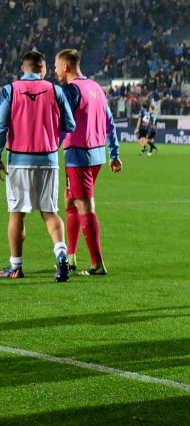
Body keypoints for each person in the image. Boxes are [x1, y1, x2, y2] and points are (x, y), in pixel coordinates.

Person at [0, 51, 76, 281]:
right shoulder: (56, 90)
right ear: (42, 69)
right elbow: (70, 124)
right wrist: (53, 141)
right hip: (48, 160)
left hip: (19, 162)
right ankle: (61, 256)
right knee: (50, 213)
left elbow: (1, 127)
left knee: (17, 214)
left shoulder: (10, 90)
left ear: (22, 69)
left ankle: (16, 266)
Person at [55, 49, 121, 276]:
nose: (55, 70)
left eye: (56, 66)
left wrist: (50, 147)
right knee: (70, 202)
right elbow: (110, 122)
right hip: (96, 156)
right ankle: (71, 257)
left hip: (78, 157)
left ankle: (97, 264)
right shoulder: (96, 87)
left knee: (84, 206)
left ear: (66, 66)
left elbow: (62, 124)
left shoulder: (70, 90)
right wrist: (114, 154)